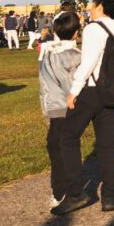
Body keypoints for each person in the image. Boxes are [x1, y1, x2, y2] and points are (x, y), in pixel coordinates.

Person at [55, 0, 114, 215]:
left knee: (67, 136)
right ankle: (109, 196)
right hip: (111, 92)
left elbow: (89, 62)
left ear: (101, 7)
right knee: (107, 144)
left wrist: (74, 90)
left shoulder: (93, 29)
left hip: (93, 89)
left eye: (92, 4)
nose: (89, 7)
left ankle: (76, 193)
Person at [39, 11, 83, 209]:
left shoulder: (46, 53)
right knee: (63, 151)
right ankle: (64, 191)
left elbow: (43, 86)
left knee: (55, 149)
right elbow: (73, 86)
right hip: (66, 108)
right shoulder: (74, 56)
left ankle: (59, 191)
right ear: (75, 33)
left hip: (51, 106)